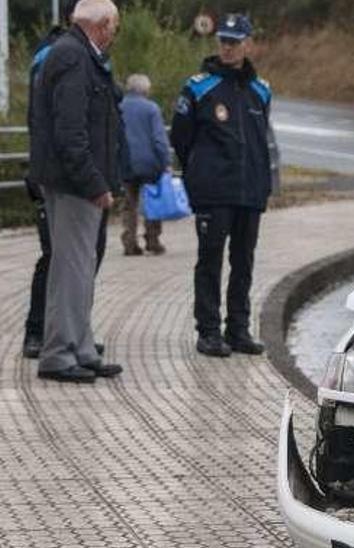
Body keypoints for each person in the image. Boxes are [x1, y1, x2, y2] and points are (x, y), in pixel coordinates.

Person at [27, 0, 124, 383]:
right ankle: (58, 354)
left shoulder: (81, 54)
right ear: (101, 24)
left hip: (77, 184)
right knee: (70, 269)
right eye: (114, 24)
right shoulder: (73, 57)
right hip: (73, 186)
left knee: (80, 268)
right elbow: (70, 134)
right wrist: (94, 184)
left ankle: (81, 348)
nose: (115, 31)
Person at [171, 13, 272, 358]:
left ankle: (238, 329)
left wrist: (263, 185)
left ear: (248, 44)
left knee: (244, 262)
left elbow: (262, 141)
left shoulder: (261, 90)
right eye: (223, 42)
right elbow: (181, 139)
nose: (228, 48)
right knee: (210, 260)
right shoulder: (198, 87)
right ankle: (209, 331)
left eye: (235, 42)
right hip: (214, 193)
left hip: (250, 191)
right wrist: (199, 175)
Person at [119, 73, 170, 255]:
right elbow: (159, 139)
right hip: (149, 163)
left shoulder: (119, 107)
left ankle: (129, 241)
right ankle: (152, 239)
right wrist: (165, 161)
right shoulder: (151, 109)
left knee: (129, 203)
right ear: (146, 90)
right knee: (152, 201)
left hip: (125, 162)